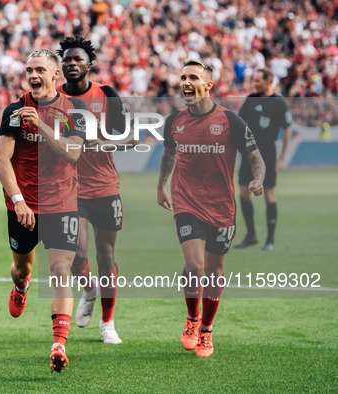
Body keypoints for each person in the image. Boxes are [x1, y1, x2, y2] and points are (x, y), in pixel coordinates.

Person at [157, 59, 265, 357]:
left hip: (221, 207)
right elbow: (168, 154)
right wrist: (161, 185)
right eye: (183, 77)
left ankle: (206, 329)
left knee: (215, 271)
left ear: (208, 85)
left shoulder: (230, 120)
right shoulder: (174, 121)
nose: (186, 82)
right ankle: (192, 319)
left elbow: (255, 156)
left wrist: (258, 180)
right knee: (195, 265)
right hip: (186, 202)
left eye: (193, 77)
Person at [0, 49, 86, 373]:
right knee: (22, 267)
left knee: (61, 269)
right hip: (23, 205)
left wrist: (43, 127)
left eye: (40, 70)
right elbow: (1, 160)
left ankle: (58, 344)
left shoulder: (74, 110)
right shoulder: (16, 110)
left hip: (62, 202)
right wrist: (18, 200)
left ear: (55, 76)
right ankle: (21, 286)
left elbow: (73, 154)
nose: (33, 75)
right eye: (29, 69)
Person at [56, 36, 132, 344]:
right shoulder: (53, 96)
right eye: (67, 60)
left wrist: (107, 142)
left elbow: (130, 137)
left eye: (77, 60)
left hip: (104, 186)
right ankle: (89, 289)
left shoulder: (106, 94)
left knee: (106, 255)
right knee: (78, 253)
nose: (72, 64)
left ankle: (107, 322)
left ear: (90, 64)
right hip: (69, 188)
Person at [235, 68, 293, 251]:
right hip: (248, 153)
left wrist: (282, 158)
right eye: (254, 80)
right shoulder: (251, 100)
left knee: (269, 194)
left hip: (267, 153)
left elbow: (288, 129)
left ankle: (270, 240)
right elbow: (239, 123)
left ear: (269, 81)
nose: (255, 83)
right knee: (243, 193)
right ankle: (251, 235)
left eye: (259, 80)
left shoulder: (278, 103)